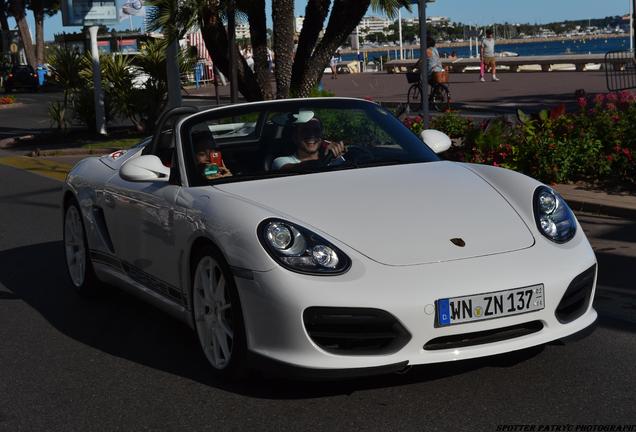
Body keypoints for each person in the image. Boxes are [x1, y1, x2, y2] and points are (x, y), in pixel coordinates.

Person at [272, 117, 346, 171]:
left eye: (316, 130)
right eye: (305, 130)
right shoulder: (281, 161)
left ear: (321, 136)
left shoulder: (334, 158)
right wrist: (326, 159)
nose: (311, 135)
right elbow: (294, 168)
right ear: (295, 137)